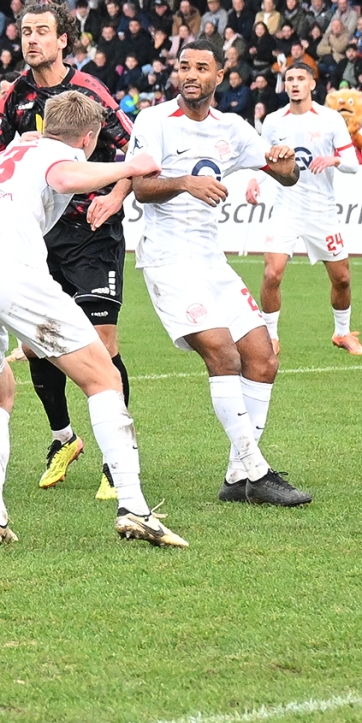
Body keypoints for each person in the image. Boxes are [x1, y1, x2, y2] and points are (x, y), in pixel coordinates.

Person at [0, 91, 182, 547]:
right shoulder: (55, 153)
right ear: (88, 138)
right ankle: (134, 508)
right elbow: (66, 177)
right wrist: (130, 166)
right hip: (9, 270)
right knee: (103, 378)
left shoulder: (0, 159)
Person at [127, 38, 311, 506]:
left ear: (219, 77)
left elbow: (285, 175)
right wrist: (185, 182)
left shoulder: (232, 127)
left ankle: (236, 476)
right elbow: (140, 187)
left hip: (211, 259)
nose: (190, 75)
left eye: (200, 68)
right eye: (184, 66)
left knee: (263, 357)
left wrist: (286, 163)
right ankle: (258, 471)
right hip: (168, 259)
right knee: (224, 355)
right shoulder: (154, 121)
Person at [0, 1, 137, 499]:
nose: (31, 39)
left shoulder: (89, 91)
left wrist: (115, 196)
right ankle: (63, 438)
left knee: (101, 341)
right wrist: (18, 148)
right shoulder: (16, 94)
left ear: (63, 39)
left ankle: (117, 459)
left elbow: (132, 149)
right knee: (36, 340)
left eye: (42, 31)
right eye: (26, 31)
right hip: (37, 234)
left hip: (91, 230)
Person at [251, 63, 362, 355]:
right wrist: (255, 181)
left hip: (322, 211)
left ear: (312, 84)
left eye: (300, 79)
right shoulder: (273, 121)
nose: (294, 84)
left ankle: (342, 333)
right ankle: (271, 336)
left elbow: (353, 164)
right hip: (286, 210)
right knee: (272, 274)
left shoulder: (330, 119)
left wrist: (334, 160)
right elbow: (265, 162)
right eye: (289, 79)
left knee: (342, 278)